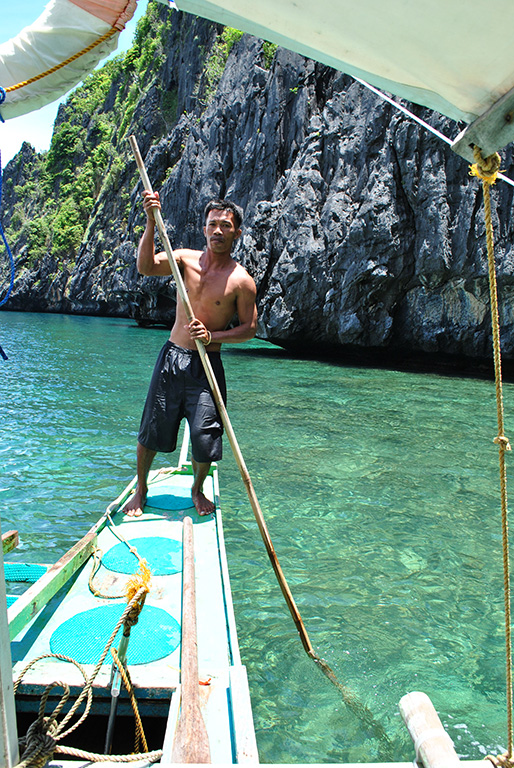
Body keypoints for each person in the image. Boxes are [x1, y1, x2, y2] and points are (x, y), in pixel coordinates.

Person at [123, 191, 258, 517]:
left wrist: (214, 335)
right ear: (204, 228)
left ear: (236, 232)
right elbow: (145, 266)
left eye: (225, 226)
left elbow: (250, 329)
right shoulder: (184, 259)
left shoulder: (241, 281)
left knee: (204, 435)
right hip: (173, 357)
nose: (218, 231)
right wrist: (151, 222)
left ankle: (196, 489)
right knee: (152, 429)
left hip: (207, 364)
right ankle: (141, 489)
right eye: (212, 224)